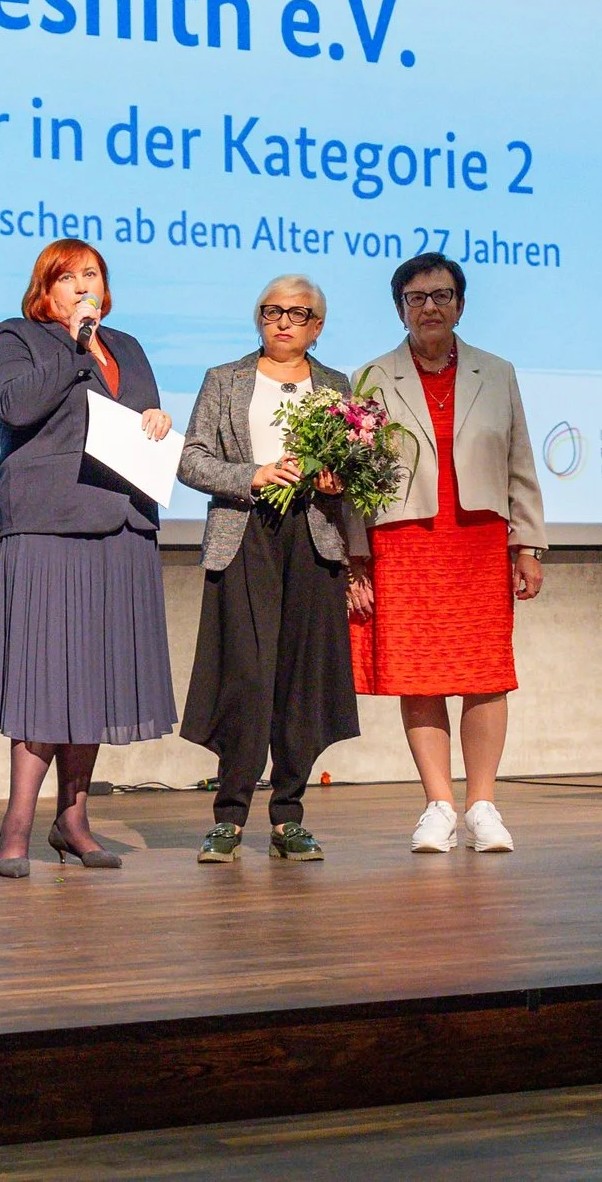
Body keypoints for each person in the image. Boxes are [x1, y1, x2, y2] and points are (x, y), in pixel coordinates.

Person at [0, 238, 178, 877]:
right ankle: (16, 825)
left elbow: (142, 412)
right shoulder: (18, 337)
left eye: (92, 275)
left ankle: (73, 819)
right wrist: (72, 345)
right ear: (47, 288)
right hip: (49, 526)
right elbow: (16, 406)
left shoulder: (127, 347)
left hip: (121, 520)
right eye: (69, 278)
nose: (83, 286)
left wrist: (154, 420)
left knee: (92, 676)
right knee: (44, 677)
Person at [349, 254, 546, 855]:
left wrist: (529, 543)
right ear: (400, 308)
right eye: (416, 298)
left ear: (460, 303)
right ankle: (438, 804)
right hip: (404, 541)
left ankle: (483, 804)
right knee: (421, 674)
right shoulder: (373, 376)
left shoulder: (497, 371)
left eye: (441, 295)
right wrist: (357, 558)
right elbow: (356, 479)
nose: (429, 307)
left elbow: (520, 462)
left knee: (486, 675)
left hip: (478, 539)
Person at [175, 276, 368, 863]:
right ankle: (229, 817)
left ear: (317, 326)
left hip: (313, 538)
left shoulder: (337, 385)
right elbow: (190, 460)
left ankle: (288, 816)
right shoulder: (224, 380)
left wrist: (339, 482)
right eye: (272, 311)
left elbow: (356, 470)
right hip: (244, 534)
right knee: (246, 677)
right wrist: (251, 475)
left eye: (298, 313)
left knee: (300, 680)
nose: (283, 321)